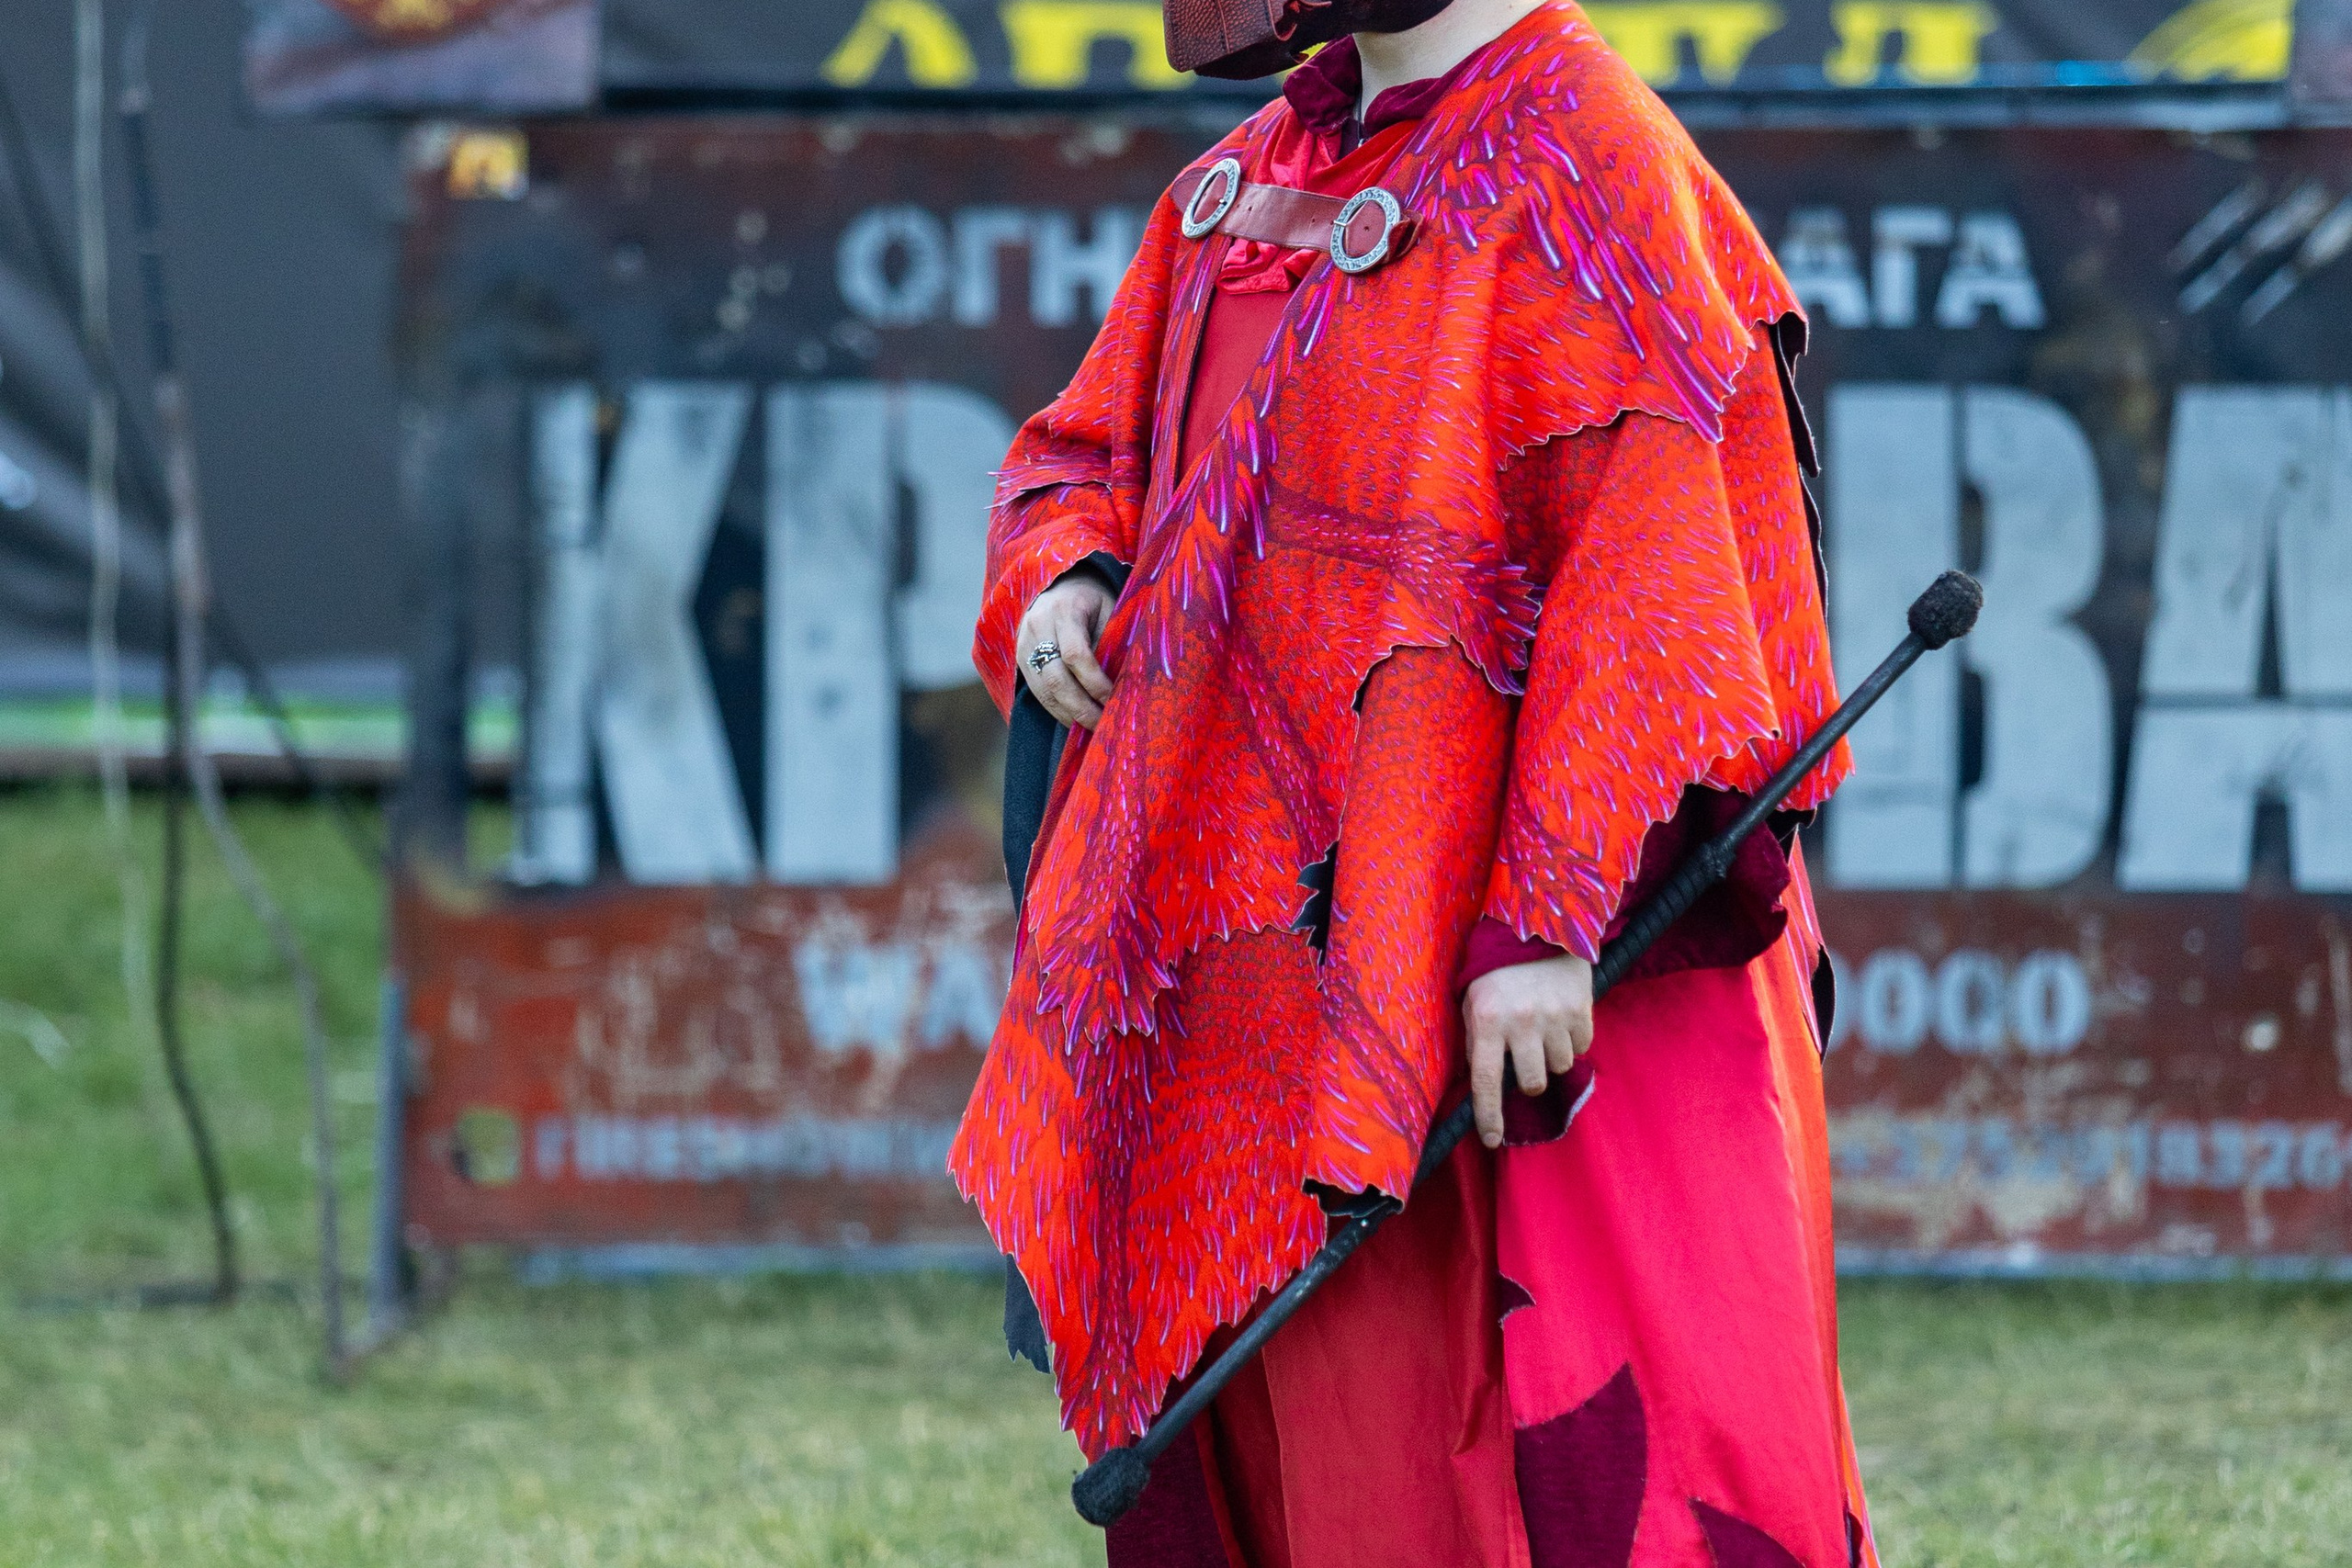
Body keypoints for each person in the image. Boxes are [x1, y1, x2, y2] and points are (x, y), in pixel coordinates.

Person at [951, 2, 1878, 1563]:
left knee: (1555, 1486)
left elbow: (1661, 584)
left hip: (1528, 999)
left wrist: (1548, 931)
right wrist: (1070, 572)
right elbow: (1079, 450)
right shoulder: (1253, 178)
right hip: (1264, 994)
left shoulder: (1589, 155)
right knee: (1313, 1472)